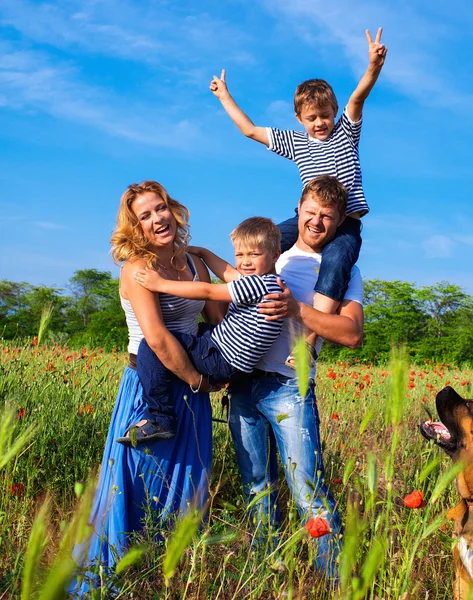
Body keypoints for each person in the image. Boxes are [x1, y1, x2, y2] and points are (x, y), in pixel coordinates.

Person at [70, 181, 221, 593]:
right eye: (146, 215)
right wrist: (196, 380)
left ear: (173, 209)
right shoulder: (136, 270)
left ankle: (167, 578)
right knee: (140, 482)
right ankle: (111, 578)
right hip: (150, 389)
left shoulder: (193, 263)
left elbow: (217, 313)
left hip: (192, 392)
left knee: (186, 483)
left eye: (161, 209)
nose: (158, 219)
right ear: (135, 226)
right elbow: (155, 337)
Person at [210, 27, 385, 366]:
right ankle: (243, 315)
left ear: (334, 111)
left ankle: (311, 338)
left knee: (335, 265)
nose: (320, 123)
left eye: (325, 115)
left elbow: (358, 98)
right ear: (298, 119)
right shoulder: (297, 142)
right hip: (306, 217)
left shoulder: (345, 133)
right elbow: (250, 130)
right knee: (266, 241)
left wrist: (373, 67)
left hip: (345, 222)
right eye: (311, 118)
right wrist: (224, 97)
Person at [227, 175, 364, 582]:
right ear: (298, 211)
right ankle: (265, 577)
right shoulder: (273, 254)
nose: (316, 222)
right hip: (244, 385)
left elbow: (352, 334)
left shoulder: (342, 271)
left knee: (309, 494)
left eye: (327, 217)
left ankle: (337, 585)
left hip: (290, 387)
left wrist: (296, 310)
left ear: (338, 222)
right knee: (257, 487)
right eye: (310, 213)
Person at [119, 217, 284, 445]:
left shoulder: (255, 285)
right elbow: (227, 272)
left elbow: (207, 291)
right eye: (240, 255)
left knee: (150, 346)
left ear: (275, 255)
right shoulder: (270, 282)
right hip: (232, 358)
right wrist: (205, 253)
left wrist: (160, 284)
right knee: (201, 330)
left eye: (254, 255)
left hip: (222, 357)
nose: (245, 262)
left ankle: (161, 418)